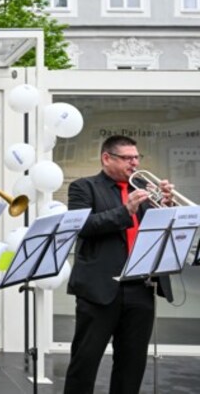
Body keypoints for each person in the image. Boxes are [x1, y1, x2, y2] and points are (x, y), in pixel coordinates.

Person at [64, 135, 174, 394]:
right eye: (127, 158)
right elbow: (83, 227)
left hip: (141, 286)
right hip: (100, 289)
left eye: (136, 157)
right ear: (106, 158)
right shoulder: (84, 187)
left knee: (132, 365)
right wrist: (125, 211)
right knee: (85, 362)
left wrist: (166, 205)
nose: (134, 163)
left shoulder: (147, 189)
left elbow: (159, 231)